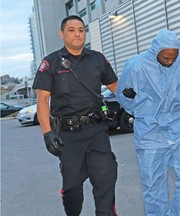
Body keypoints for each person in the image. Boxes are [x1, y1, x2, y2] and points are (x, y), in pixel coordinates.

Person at [32, 15, 118, 216]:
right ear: (62, 34)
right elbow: (43, 100)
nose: (77, 33)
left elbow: (116, 87)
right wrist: (47, 133)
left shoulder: (97, 59)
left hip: (97, 130)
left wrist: (134, 97)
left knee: (105, 177)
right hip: (68, 136)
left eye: (81, 29)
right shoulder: (50, 63)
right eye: (71, 30)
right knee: (72, 189)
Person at [115, 29, 180, 216]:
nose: (170, 61)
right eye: (166, 58)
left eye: (174, 57)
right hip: (149, 129)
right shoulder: (136, 66)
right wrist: (141, 110)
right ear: (155, 51)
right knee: (154, 184)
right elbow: (123, 97)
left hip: (178, 124)